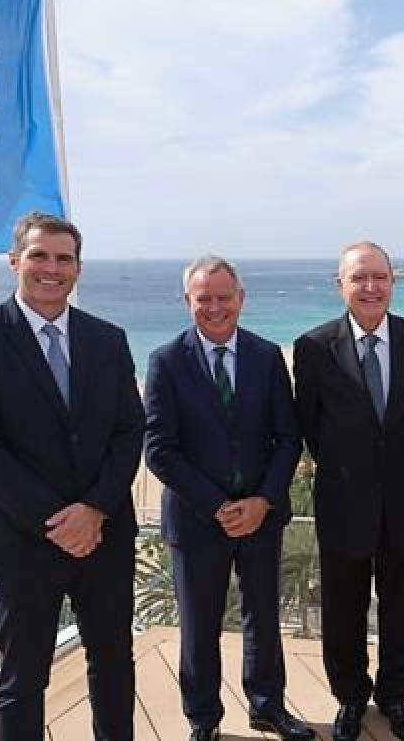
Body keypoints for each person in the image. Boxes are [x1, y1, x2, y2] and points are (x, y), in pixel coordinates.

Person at [0, 212, 144, 741]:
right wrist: (59, 521)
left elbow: (129, 431)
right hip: (21, 537)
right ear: (15, 262)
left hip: (104, 532)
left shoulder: (108, 339)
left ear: (78, 269)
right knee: (23, 676)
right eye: (39, 256)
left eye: (64, 259)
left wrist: (95, 510)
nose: (51, 269)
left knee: (114, 662)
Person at [144, 256, 313, 741]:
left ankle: (267, 707)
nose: (215, 307)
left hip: (262, 516)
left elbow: (288, 437)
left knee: (264, 616)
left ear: (241, 298)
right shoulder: (166, 361)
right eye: (204, 299)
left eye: (224, 297)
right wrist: (218, 506)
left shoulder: (265, 356)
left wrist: (262, 500)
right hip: (198, 520)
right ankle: (203, 720)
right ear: (188, 302)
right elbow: (159, 450)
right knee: (199, 628)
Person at [293, 241, 404, 741]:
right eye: (359, 278)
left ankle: (397, 696)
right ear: (342, 286)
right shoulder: (313, 347)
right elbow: (310, 425)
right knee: (343, 609)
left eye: (379, 276)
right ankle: (351, 698)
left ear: (393, 282)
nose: (371, 286)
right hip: (343, 501)